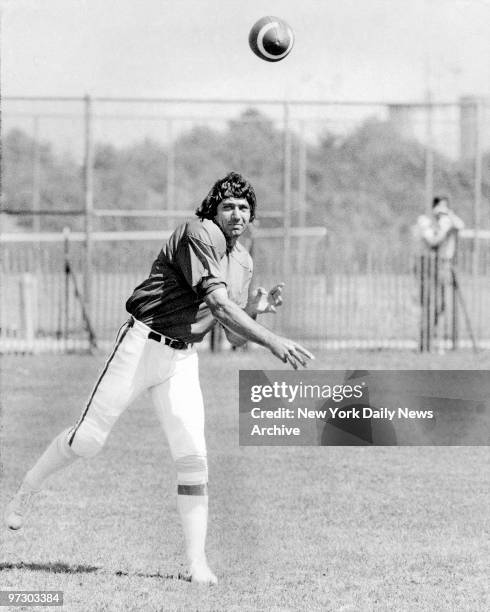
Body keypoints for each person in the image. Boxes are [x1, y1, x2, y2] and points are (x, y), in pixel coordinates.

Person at [4, 172, 314, 585]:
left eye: (244, 207)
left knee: (193, 458)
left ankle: (196, 563)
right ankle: (28, 488)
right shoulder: (197, 232)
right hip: (141, 345)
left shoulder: (242, 260)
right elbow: (219, 306)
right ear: (213, 209)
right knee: (89, 441)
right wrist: (273, 341)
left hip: (182, 359)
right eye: (228, 206)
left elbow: (233, 336)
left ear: (252, 214)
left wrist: (256, 312)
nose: (236, 214)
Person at [415, 195, 465, 345]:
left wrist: (448, 215)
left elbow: (460, 225)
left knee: (440, 304)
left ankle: (433, 336)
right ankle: (425, 340)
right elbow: (433, 241)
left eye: (446, 207)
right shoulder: (426, 222)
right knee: (429, 304)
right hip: (428, 266)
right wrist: (442, 228)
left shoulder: (447, 221)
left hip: (443, 266)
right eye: (440, 207)